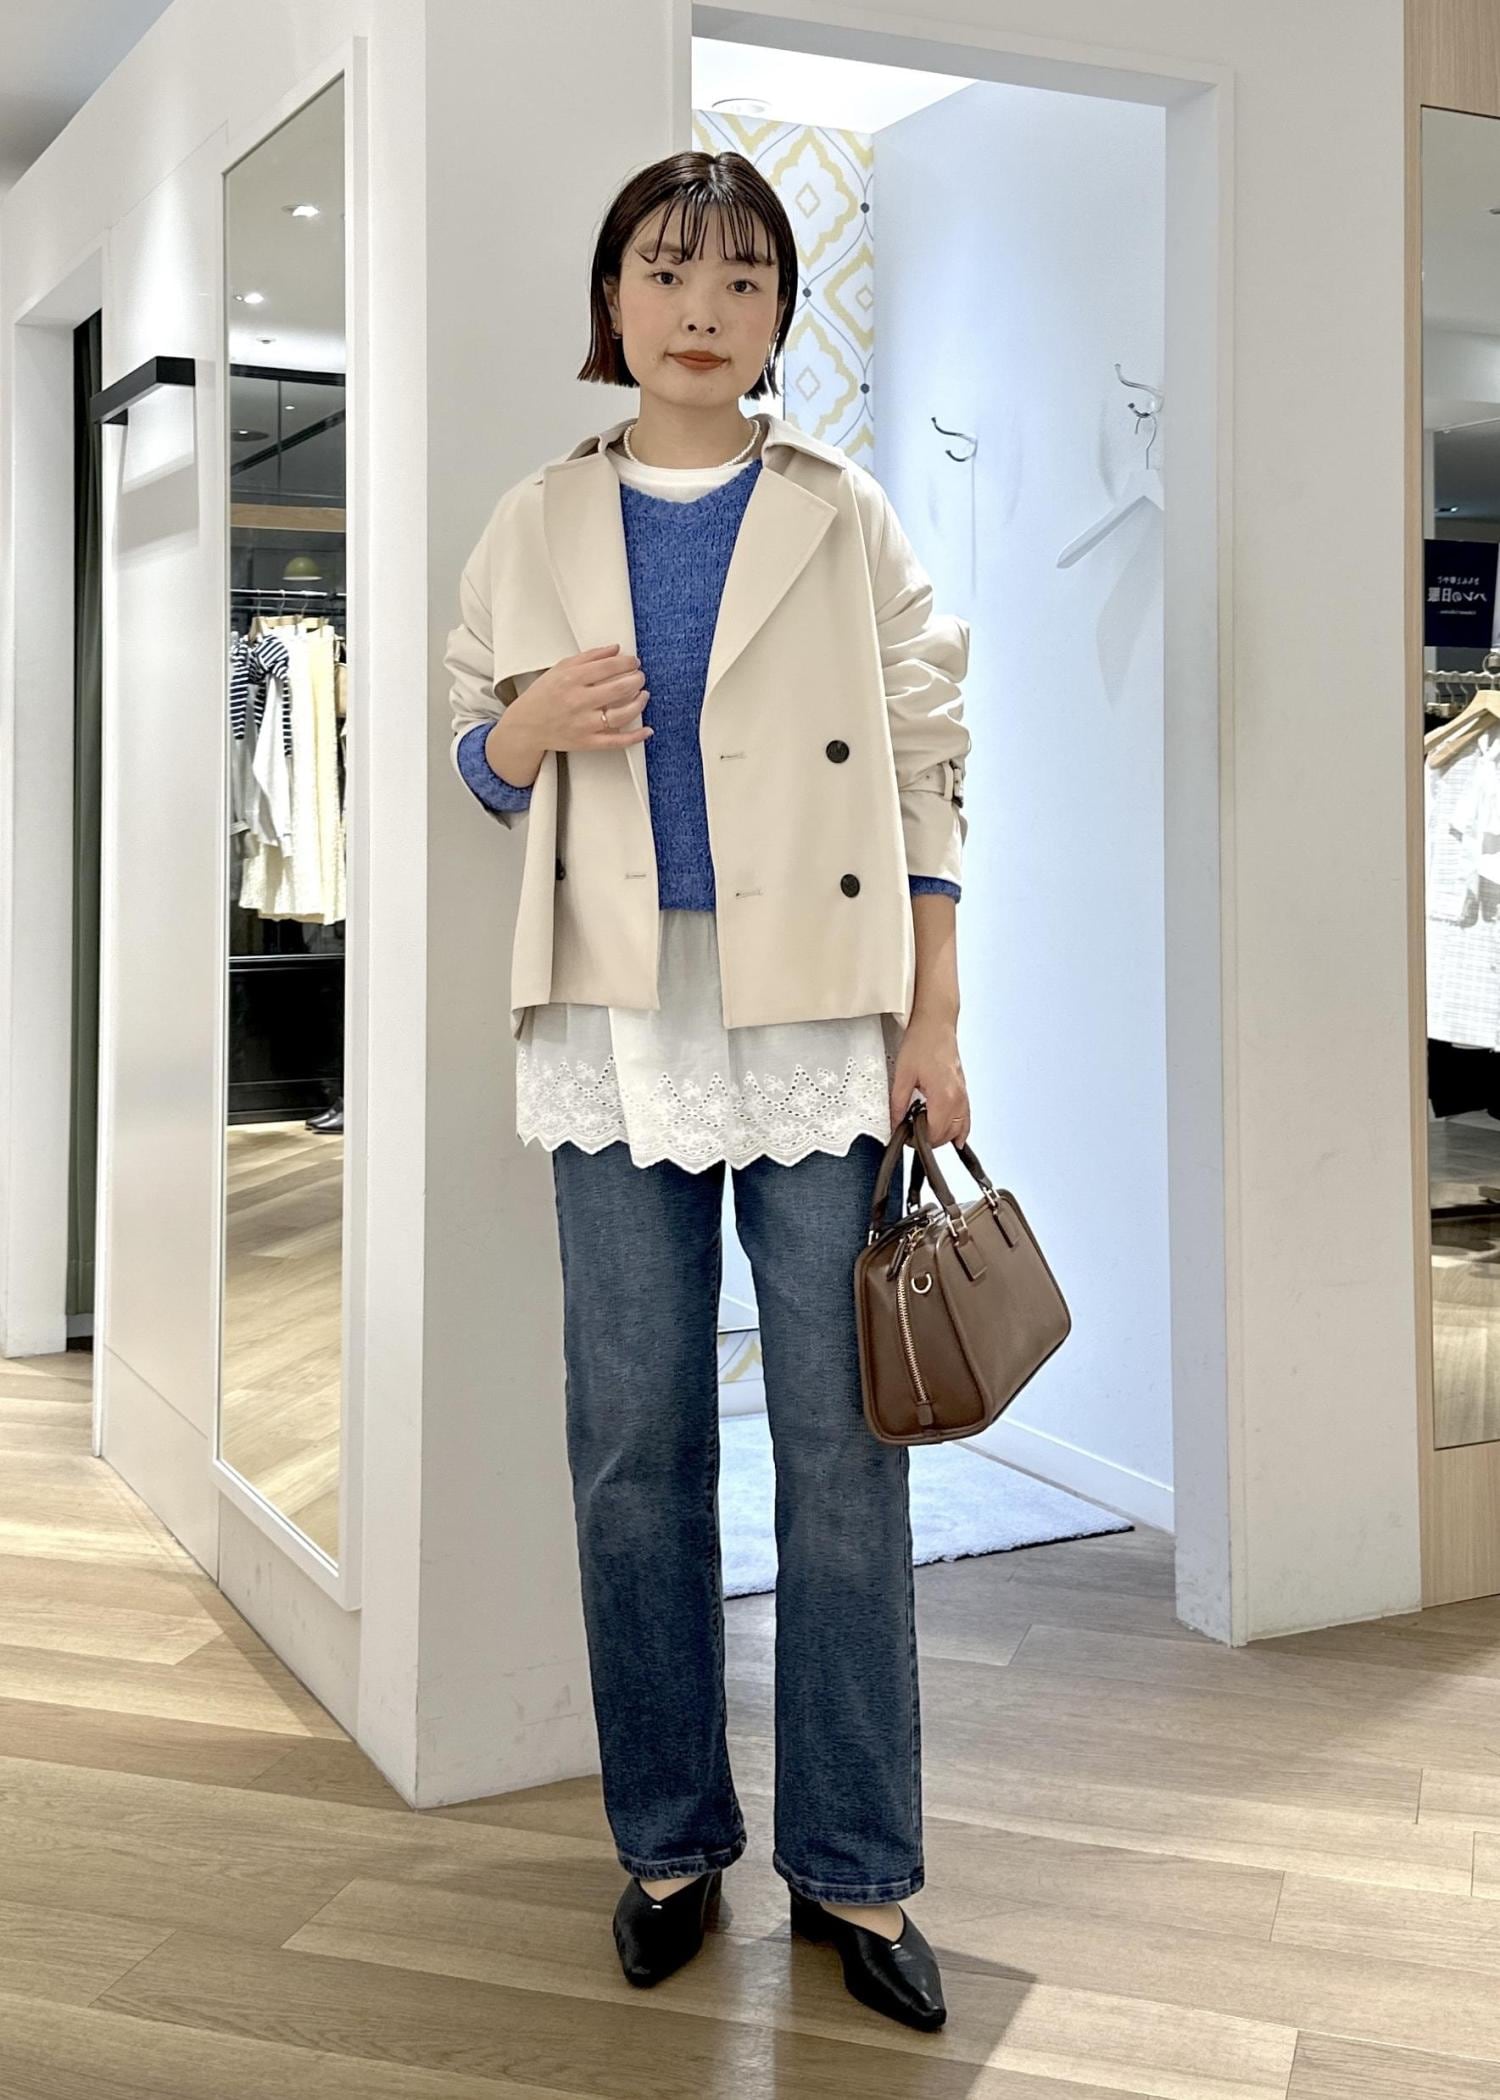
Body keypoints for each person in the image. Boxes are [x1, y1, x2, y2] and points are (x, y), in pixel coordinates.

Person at [444, 149, 970, 2034]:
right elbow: (472, 752)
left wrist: (935, 1020)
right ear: (613, 300)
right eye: (668, 272)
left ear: (779, 317)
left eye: (744, 279)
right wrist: (524, 728)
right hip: (612, 1016)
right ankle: (668, 1841)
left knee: (842, 1450)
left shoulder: (842, 509)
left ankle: (858, 1864)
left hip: (820, 1015)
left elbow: (927, 766)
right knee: (631, 1445)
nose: (701, 309)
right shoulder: (537, 515)